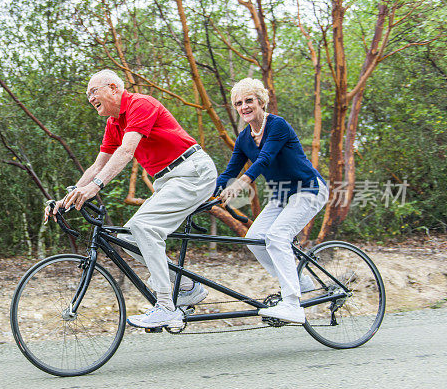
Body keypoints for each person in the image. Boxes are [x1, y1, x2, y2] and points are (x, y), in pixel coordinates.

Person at [45, 69, 217, 329]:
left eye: (94, 91)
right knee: (126, 238)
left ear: (114, 88)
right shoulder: (113, 123)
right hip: (169, 181)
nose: (90, 98)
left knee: (143, 227)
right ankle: (187, 286)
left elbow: (126, 151)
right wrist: (64, 200)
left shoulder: (140, 104)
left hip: (192, 172)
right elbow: (96, 166)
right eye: (87, 94)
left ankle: (165, 306)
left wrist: (96, 187)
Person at [217, 78, 328, 323]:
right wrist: (205, 193)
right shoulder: (244, 139)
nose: (244, 106)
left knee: (277, 236)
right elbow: (229, 172)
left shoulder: (277, 125)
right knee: (255, 239)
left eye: (249, 101)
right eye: (238, 103)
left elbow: (264, 159)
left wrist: (241, 184)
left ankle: (291, 303)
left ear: (260, 102)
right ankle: (301, 284)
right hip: (281, 196)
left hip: (308, 189)